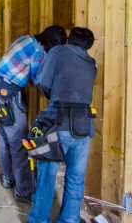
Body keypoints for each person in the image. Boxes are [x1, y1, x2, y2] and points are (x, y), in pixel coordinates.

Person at [0, 26, 67, 202]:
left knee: (4, 138)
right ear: (50, 43)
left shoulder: (25, 39)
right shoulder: (39, 52)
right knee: (19, 142)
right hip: (8, 94)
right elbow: (36, 79)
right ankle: (23, 191)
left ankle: (8, 179)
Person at [29, 27, 97, 223]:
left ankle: (40, 220)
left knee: (47, 177)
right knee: (76, 178)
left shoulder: (58, 52)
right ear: (88, 46)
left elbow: (42, 79)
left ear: (69, 40)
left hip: (57, 123)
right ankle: (69, 219)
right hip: (83, 127)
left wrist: (54, 95)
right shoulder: (93, 63)